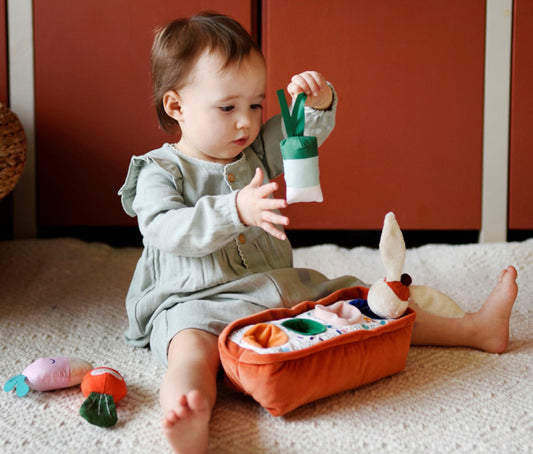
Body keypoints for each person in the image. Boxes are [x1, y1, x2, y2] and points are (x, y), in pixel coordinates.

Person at [118, 12, 518, 454]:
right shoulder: (159, 170)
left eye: (255, 105)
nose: (245, 122)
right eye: (228, 107)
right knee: (191, 352)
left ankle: (474, 330)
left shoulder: (253, 149)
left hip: (275, 288)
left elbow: (297, 136)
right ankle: (190, 413)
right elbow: (163, 228)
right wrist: (236, 209)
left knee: (370, 301)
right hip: (195, 300)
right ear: (176, 106)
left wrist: (317, 103)